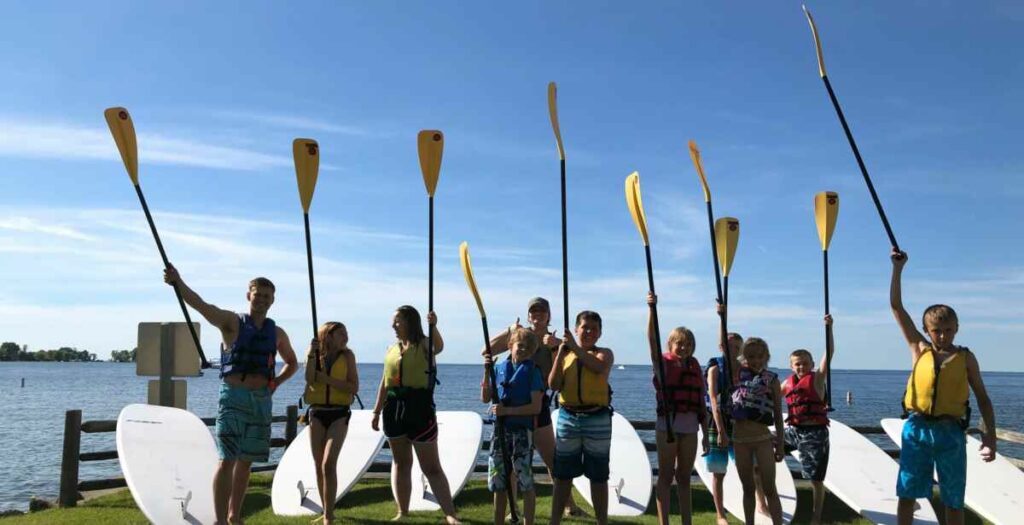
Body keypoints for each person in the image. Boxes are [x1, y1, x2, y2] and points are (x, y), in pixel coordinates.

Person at [163, 266, 299, 525]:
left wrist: (276, 383)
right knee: (227, 460)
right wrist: (178, 282)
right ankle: (220, 521)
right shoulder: (231, 322)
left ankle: (234, 516)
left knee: (246, 462)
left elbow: (292, 362)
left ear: (273, 300)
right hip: (233, 397)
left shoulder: (277, 333)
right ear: (249, 295)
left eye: (267, 296)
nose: (262, 300)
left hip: (261, 400)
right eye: (258, 294)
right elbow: (201, 305)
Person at [890, 250, 996, 525]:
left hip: (951, 432)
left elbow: (983, 399)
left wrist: (990, 437)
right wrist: (897, 269)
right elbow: (896, 308)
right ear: (927, 331)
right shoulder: (918, 348)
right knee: (907, 492)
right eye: (937, 330)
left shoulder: (966, 358)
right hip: (917, 429)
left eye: (948, 330)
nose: (943, 335)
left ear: (957, 328)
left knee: (953, 498)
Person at [481, 297, 586, 517]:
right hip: (512, 414)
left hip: (538, 408)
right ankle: (513, 508)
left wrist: (557, 345)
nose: (537, 316)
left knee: (552, 460)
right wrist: (509, 329)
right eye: (533, 312)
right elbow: (486, 350)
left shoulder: (554, 342)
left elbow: (576, 363)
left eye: (542, 312)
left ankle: (569, 505)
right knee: (509, 463)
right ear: (528, 315)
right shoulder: (519, 337)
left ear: (549, 315)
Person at [370, 306, 460, 524]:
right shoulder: (391, 349)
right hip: (394, 409)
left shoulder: (425, 345)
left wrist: (434, 325)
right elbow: (385, 381)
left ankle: (450, 514)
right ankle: (403, 511)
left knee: (431, 467)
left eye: (398, 321)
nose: (393, 325)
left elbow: (439, 347)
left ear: (410, 322)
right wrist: (376, 410)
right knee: (401, 463)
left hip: (420, 407)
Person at [647, 293, 709, 525]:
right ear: (671, 345)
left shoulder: (694, 366)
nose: (684, 347)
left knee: (684, 477)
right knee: (665, 476)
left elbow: (701, 403)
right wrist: (652, 311)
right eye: (679, 343)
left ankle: (687, 522)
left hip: (690, 428)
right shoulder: (662, 364)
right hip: (668, 428)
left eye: (688, 344)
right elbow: (652, 341)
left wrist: (706, 434)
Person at [548, 310, 615, 525]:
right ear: (576, 329)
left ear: (600, 333)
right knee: (563, 475)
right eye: (584, 327)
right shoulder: (565, 355)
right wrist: (560, 351)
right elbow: (553, 384)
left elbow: (597, 367)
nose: (588, 332)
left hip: (597, 418)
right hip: (568, 417)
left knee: (598, 474)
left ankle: (601, 521)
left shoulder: (604, 353)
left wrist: (574, 348)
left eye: (593, 329)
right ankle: (554, 521)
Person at [481, 327, 545, 525]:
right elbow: (484, 398)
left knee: (525, 481)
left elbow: (535, 407)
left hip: (522, 434)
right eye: (520, 345)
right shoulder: (498, 369)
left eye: (528, 348)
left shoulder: (533, 373)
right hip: (500, 433)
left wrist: (506, 411)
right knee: (498, 482)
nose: (523, 350)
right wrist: (486, 372)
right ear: (510, 346)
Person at [302, 321, 359, 525]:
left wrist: (326, 380)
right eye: (341, 333)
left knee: (328, 463)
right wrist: (311, 354)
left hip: (339, 414)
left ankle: (328, 516)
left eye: (346, 333)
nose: (346, 337)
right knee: (318, 465)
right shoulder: (315, 354)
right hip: (316, 412)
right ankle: (325, 509)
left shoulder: (348, 356)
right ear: (328, 335)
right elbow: (309, 378)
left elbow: (353, 387)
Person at [780, 315, 834, 525]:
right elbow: (768, 395)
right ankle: (762, 501)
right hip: (794, 431)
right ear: (791, 366)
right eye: (797, 364)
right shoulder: (787, 383)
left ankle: (816, 516)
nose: (801, 367)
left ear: (811, 364)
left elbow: (829, 353)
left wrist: (829, 329)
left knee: (815, 479)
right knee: (762, 450)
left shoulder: (818, 379)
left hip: (815, 434)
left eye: (804, 364)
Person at [730, 337, 784, 525]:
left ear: (766, 357)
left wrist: (781, 446)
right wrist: (722, 316)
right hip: (740, 441)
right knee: (747, 488)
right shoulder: (736, 374)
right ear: (744, 357)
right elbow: (729, 353)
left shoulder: (772, 380)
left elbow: (778, 415)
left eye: (760, 357)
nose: (756, 360)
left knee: (770, 488)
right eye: (751, 356)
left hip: (762, 440)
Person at [705, 322, 744, 525]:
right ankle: (720, 514)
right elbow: (713, 400)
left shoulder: (744, 370)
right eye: (730, 347)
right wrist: (721, 430)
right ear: (722, 347)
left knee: (750, 468)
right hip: (718, 421)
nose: (734, 351)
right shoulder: (714, 369)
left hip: (739, 422)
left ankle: (760, 504)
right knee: (719, 472)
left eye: (738, 348)